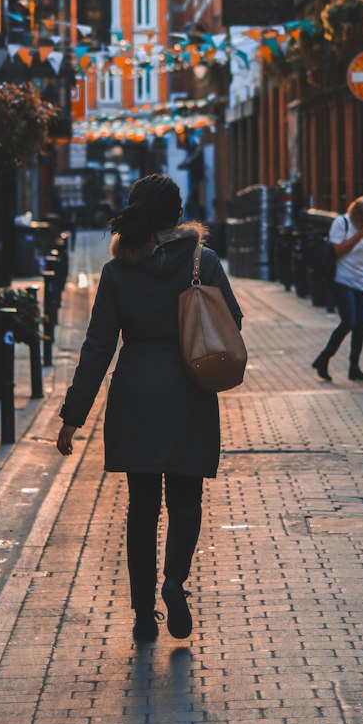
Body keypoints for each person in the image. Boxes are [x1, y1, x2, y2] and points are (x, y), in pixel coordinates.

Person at [56, 174, 242, 643]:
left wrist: (73, 414)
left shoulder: (118, 271)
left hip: (135, 394)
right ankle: (174, 581)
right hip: (189, 392)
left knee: (141, 509)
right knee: (186, 500)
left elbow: (98, 346)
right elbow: (232, 321)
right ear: (177, 215)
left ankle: (143, 616)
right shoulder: (205, 261)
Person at [312, 196, 363, 384]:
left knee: (360, 325)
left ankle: (354, 368)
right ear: (356, 215)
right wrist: (359, 235)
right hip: (342, 280)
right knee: (349, 321)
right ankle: (324, 358)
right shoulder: (341, 223)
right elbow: (338, 251)